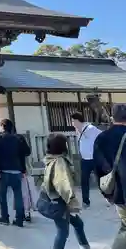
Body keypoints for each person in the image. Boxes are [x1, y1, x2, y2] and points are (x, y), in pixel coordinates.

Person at [42, 133, 90, 249]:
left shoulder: (50, 159)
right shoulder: (59, 162)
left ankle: (85, 246)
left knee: (78, 224)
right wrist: (73, 205)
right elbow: (64, 185)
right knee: (63, 231)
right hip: (60, 202)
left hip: (56, 200)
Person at [93, 103, 126, 249]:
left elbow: (98, 169)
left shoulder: (102, 138)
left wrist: (107, 194)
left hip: (119, 193)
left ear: (112, 118)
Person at [0, 118, 30, 227]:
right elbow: (24, 154)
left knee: (2, 196)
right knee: (18, 195)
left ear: (2, 127)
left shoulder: (0, 139)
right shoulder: (18, 139)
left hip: (4, 170)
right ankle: (19, 219)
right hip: (16, 170)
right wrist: (23, 169)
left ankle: (5, 217)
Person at [70, 112, 101, 209]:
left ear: (77, 120)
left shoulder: (90, 128)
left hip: (94, 159)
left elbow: (101, 135)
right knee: (84, 181)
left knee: (101, 180)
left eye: (73, 121)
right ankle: (85, 201)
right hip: (84, 159)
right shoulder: (78, 130)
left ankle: (109, 197)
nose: (72, 123)